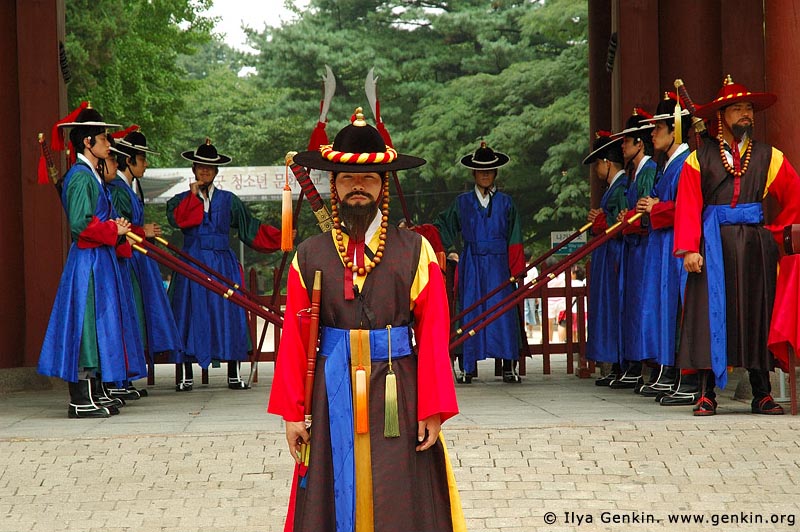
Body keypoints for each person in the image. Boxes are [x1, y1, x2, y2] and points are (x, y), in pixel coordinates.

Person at [268, 108, 464, 532]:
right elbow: (296, 338)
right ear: (334, 186)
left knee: (402, 493)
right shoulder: (311, 254)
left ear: (384, 185)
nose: (358, 187)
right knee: (328, 491)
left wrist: (433, 408)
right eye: (347, 179)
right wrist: (292, 413)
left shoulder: (415, 250)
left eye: (369, 179)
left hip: (399, 388)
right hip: (329, 388)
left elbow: (433, 332)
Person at [674, 75, 800, 416]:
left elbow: (794, 196)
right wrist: (689, 248)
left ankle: (762, 391)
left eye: (749, 109)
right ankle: (706, 393)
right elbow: (687, 203)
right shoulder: (699, 157)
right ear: (722, 116)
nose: (746, 115)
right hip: (712, 246)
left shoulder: (768, 156)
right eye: (738, 109)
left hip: (756, 247)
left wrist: (777, 235)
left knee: (757, 312)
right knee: (707, 317)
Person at [37, 105, 146, 418]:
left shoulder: (90, 175)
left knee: (100, 323)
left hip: (100, 257)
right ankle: (80, 397)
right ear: (87, 142)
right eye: (103, 138)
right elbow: (81, 224)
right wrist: (114, 228)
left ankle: (95, 390)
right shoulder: (81, 177)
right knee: (87, 324)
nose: (108, 144)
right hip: (88, 261)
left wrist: (116, 228)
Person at [167, 138, 283, 391]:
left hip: (222, 263)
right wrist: (193, 195)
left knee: (228, 315)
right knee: (189, 314)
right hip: (192, 261)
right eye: (200, 166)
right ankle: (186, 373)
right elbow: (179, 221)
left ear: (216, 172)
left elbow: (250, 227)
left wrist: (282, 236)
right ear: (194, 169)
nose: (205, 171)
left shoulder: (229, 200)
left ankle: (233, 372)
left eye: (209, 167)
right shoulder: (179, 200)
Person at [434, 141, 525, 383]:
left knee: (502, 312)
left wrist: (515, 269)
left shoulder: (506, 203)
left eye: (489, 170)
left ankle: (508, 365)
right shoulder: (462, 202)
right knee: (469, 311)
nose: (485, 174)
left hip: (499, 264)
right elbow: (442, 226)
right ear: (474, 173)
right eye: (481, 170)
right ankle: (467, 367)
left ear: (495, 172)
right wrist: (451, 250)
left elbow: (515, 237)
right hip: (472, 263)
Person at [109, 129, 184, 398]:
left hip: (138, 257)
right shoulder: (117, 190)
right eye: (142, 159)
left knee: (137, 316)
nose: (146, 164)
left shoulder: (129, 187)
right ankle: (118, 381)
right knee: (129, 315)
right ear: (128, 160)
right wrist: (144, 232)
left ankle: (125, 379)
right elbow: (119, 226)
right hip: (127, 258)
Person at [635, 93, 695, 402]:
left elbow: (689, 206)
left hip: (678, 244)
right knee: (663, 307)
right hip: (663, 244)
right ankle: (667, 369)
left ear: (676, 130)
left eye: (659, 127)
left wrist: (657, 207)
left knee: (679, 307)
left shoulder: (686, 162)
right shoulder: (669, 164)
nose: (652, 133)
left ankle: (685, 373)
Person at [611, 108, 657, 389]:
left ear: (640, 143)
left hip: (644, 245)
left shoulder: (649, 170)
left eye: (627, 141)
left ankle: (646, 365)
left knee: (644, 306)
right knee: (634, 307)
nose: (623, 146)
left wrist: (628, 219)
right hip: (634, 246)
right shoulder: (636, 172)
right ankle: (635, 364)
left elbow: (646, 212)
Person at [582, 132, 626, 385]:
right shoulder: (613, 188)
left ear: (607, 162)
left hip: (613, 255)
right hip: (606, 255)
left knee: (613, 308)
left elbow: (620, 221)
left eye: (598, 163)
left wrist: (602, 221)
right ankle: (615, 365)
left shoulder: (621, 187)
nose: (597, 169)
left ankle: (619, 364)